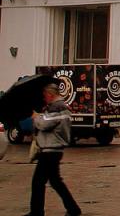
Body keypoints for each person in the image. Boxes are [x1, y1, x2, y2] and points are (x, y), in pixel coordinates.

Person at [27, 83, 81, 216]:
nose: (44, 98)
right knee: (55, 181)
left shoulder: (57, 107)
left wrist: (36, 117)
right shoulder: (58, 107)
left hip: (50, 150)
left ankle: (37, 212)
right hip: (54, 149)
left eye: (45, 95)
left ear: (50, 95)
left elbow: (45, 124)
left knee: (38, 182)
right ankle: (73, 209)